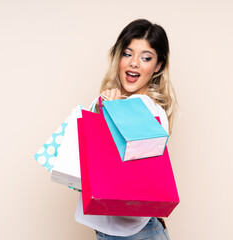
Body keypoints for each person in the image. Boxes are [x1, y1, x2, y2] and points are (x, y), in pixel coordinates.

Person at [75, 19, 177, 240]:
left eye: (146, 58)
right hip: (109, 232)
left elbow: (129, 166)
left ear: (158, 66)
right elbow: (91, 162)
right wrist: (105, 109)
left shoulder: (152, 110)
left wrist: (115, 110)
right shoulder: (106, 101)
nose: (134, 63)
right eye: (127, 54)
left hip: (140, 233)